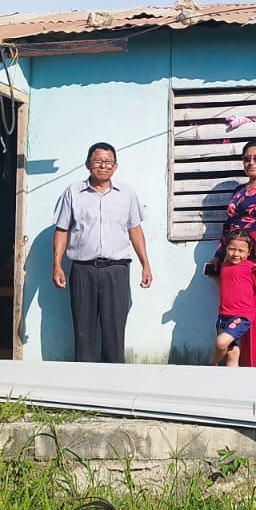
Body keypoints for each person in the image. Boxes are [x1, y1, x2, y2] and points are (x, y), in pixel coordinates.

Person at [51, 142, 153, 363]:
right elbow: (62, 230)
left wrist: (145, 264)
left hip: (116, 271)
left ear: (115, 166)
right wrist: (56, 264)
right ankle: (84, 379)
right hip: (83, 271)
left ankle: (115, 379)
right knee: (83, 332)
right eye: (98, 161)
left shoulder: (127, 193)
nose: (103, 165)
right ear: (88, 164)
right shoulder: (73, 193)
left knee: (114, 333)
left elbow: (135, 230)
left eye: (108, 162)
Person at [205, 140, 256, 368]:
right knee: (236, 317)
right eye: (247, 159)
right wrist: (219, 256)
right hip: (236, 259)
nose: (252, 163)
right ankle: (241, 377)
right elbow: (229, 226)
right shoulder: (239, 191)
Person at [211, 231, 256, 367]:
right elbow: (223, 286)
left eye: (241, 251)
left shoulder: (250, 267)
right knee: (232, 352)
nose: (236, 254)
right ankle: (232, 378)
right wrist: (215, 278)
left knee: (221, 343)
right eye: (232, 249)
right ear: (226, 248)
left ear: (248, 252)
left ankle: (211, 363)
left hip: (242, 316)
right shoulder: (224, 266)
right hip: (223, 315)